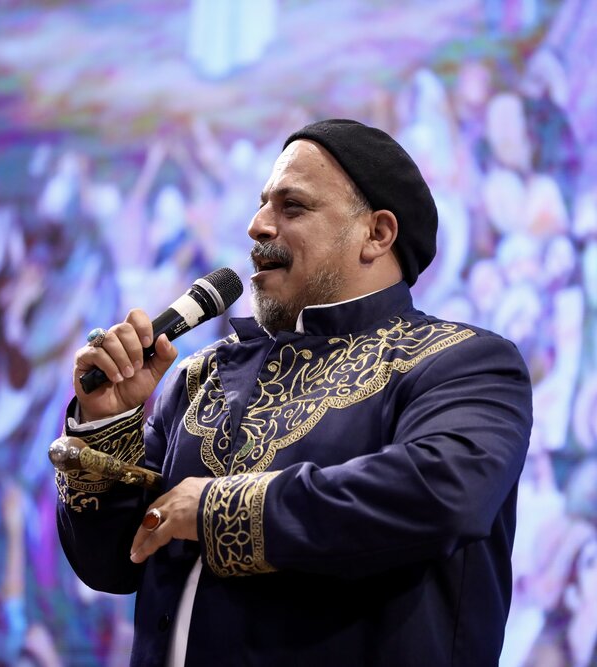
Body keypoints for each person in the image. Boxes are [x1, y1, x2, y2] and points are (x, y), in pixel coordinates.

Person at [55, 119, 533, 666]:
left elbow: (441, 493)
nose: (257, 225)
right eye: (262, 205)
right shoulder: (201, 376)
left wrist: (216, 510)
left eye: (293, 207)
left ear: (377, 234)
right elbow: (113, 563)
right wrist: (107, 422)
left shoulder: (462, 362)